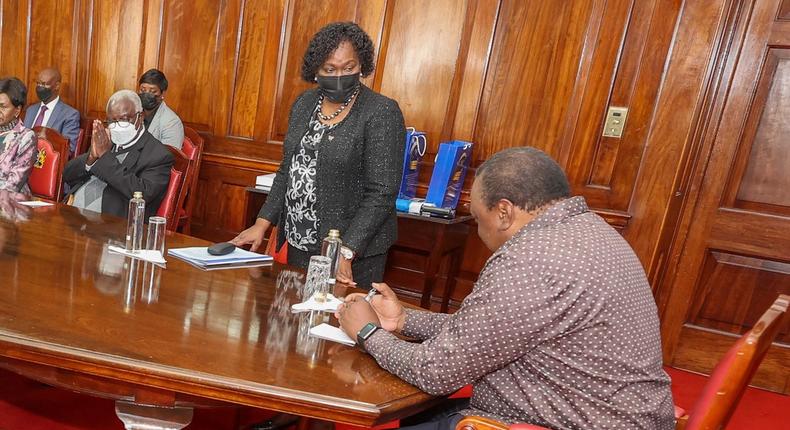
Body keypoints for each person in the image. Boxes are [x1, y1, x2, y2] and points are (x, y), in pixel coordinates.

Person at [337, 147, 675, 430]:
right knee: (422, 416)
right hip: (623, 414)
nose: (479, 232)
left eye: (478, 218)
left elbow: (434, 372)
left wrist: (367, 332)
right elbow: (490, 330)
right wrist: (404, 321)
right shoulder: (593, 230)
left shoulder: (529, 260)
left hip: (574, 421)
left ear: (503, 212)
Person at [231, 22, 405, 289]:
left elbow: (382, 191)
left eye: (349, 68)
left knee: (333, 323)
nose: (340, 76)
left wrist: (346, 250)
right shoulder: (304, 104)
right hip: (300, 240)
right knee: (293, 319)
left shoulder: (381, 112)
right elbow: (289, 169)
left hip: (352, 251)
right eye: (330, 69)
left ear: (363, 66)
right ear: (316, 70)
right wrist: (262, 223)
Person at [63, 90, 173, 219]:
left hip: (111, 225)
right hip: (73, 214)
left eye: (124, 119)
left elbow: (142, 194)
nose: (117, 126)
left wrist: (104, 156)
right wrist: (91, 158)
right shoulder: (106, 138)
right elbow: (67, 176)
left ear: (140, 117)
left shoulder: (158, 155)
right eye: (112, 121)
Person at [23, 68, 81, 155]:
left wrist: (47, 142)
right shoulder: (30, 110)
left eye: (44, 84)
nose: (40, 87)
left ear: (57, 86)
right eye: (38, 83)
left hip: (47, 162)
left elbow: (69, 149)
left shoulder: (70, 114)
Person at [0, 77, 37, 194]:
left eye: (3, 107)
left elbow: (13, 184)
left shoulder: (26, 137)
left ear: (17, 110)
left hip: (12, 203)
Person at [138, 68, 184, 149]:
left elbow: (169, 157)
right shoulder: (133, 113)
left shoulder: (172, 122)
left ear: (163, 93)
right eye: (143, 90)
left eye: (152, 91)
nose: (146, 94)